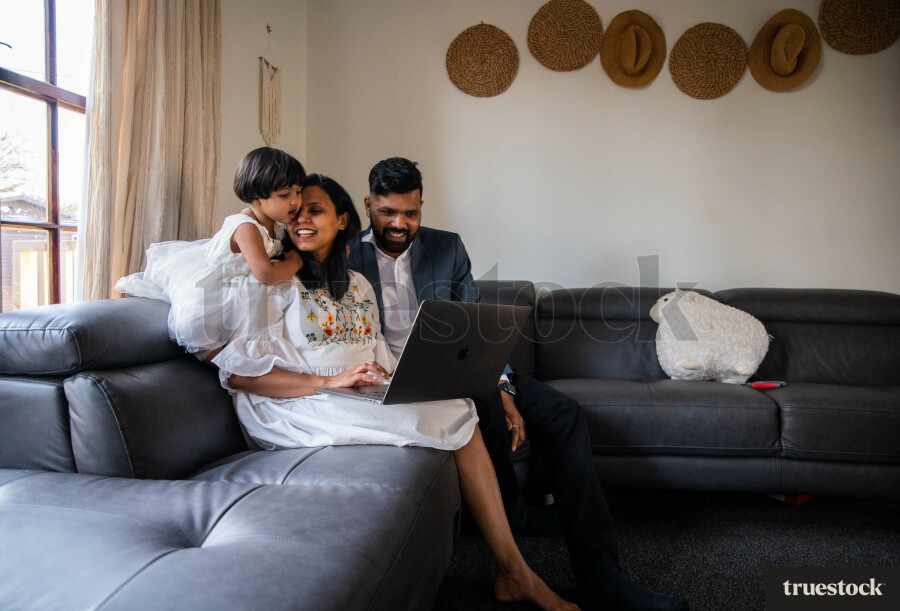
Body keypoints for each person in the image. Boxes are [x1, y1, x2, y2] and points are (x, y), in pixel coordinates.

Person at [219, 173, 580, 611]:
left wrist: (395, 383)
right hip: (292, 402)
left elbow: (381, 357)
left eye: (314, 210)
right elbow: (240, 376)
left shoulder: (357, 284)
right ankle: (515, 572)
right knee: (453, 419)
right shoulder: (274, 281)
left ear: (342, 220)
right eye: (295, 211)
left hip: (352, 392)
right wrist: (328, 381)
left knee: (458, 405)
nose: (300, 220)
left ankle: (512, 568)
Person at [346, 157, 690, 611]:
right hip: (401, 384)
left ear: (422, 207)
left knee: (562, 413)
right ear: (368, 205)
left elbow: (479, 329)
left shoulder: (447, 248)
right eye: (388, 212)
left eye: (410, 213)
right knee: (484, 409)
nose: (399, 223)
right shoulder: (346, 254)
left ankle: (602, 574)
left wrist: (504, 385)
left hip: (466, 370)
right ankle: (514, 542)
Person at [115, 147, 306, 357]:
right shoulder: (245, 226)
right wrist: (296, 260)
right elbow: (266, 274)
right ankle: (228, 371)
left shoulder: (278, 227)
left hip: (243, 292)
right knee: (215, 350)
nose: (295, 201)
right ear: (255, 198)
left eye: (298, 192)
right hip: (213, 292)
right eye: (285, 195)